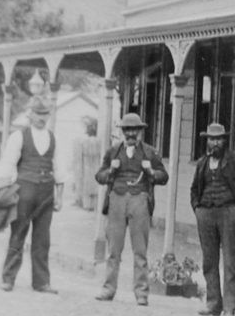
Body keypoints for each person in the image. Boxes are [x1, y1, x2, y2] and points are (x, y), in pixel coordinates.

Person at [94, 113, 169, 305]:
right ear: (122, 132)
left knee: (140, 250)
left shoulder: (150, 153)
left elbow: (164, 176)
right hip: (117, 199)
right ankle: (108, 289)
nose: (131, 134)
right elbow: (99, 176)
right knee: (113, 250)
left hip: (139, 199)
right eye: (127, 130)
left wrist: (151, 171)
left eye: (134, 130)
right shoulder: (113, 152)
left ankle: (141, 293)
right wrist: (110, 171)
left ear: (140, 132)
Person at [190, 123, 235, 316]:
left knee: (229, 262)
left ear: (225, 140)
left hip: (229, 214)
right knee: (209, 261)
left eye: (219, 139)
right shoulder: (202, 163)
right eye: (211, 139)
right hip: (206, 214)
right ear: (207, 141)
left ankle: (229, 308)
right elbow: (194, 189)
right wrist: (198, 209)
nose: (215, 142)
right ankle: (213, 303)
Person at [0, 97, 65, 293]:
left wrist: (59, 197)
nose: (41, 118)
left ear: (49, 115)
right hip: (23, 192)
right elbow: (9, 166)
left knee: (42, 239)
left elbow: (60, 169)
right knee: (18, 234)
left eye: (45, 114)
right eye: (38, 113)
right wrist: (7, 192)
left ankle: (41, 282)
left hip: (46, 193)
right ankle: (8, 278)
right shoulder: (19, 136)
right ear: (30, 114)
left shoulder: (54, 138)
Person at [71, 116, 100, 211]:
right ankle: (89, 204)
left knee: (89, 183)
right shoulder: (89, 141)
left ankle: (88, 204)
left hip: (89, 164)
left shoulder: (85, 141)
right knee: (91, 184)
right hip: (91, 164)